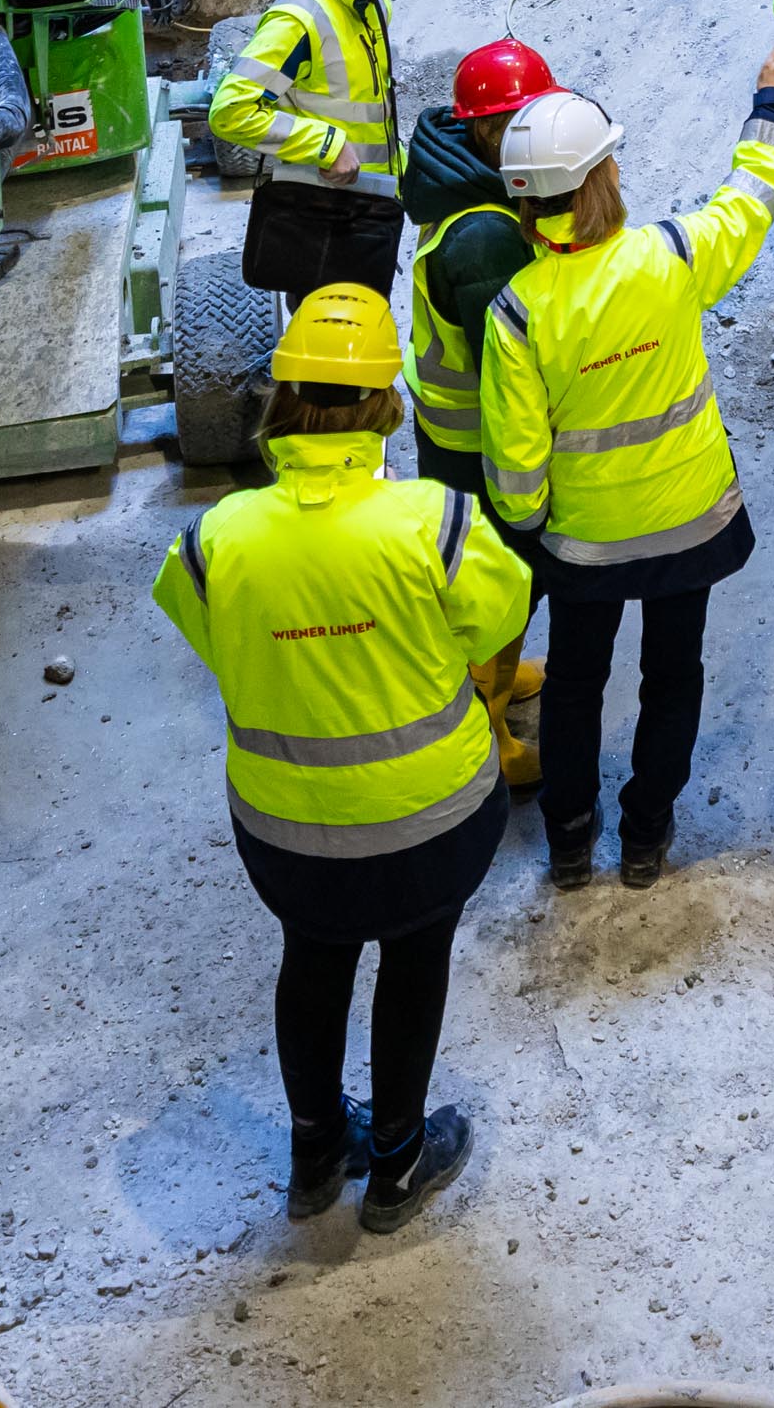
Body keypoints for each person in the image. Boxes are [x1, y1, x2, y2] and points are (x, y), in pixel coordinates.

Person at [150, 285, 527, 1236]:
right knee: (414, 958)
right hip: (431, 824)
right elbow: (502, 614)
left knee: (312, 960)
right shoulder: (434, 521)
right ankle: (397, 1167)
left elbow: (215, 638)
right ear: (384, 401)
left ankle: (316, 1150)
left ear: (284, 400)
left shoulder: (212, 540)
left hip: (286, 836)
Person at [479, 43, 774, 888]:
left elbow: (514, 468)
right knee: (674, 675)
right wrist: (768, 102)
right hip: (691, 526)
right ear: (597, 180)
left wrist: (532, 530)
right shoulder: (673, 257)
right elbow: (752, 200)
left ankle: (572, 842)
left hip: (584, 547)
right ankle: (648, 837)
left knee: (578, 684)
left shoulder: (519, 311)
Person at [399, 35, 560, 786]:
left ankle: (497, 675)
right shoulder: (486, 234)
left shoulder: (461, 182)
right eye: (522, 117)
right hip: (479, 441)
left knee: (492, 580)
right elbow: (509, 366)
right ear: (487, 129)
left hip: (448, 431)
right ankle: (483, 729)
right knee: (496, 581)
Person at [213, 0, 415, 309]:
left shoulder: (372, 1)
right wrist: (323, 145)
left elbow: (366, 105)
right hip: (323, 212)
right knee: (325, 343)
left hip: (368, 202)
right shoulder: (299, 18)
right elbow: (231, 110)